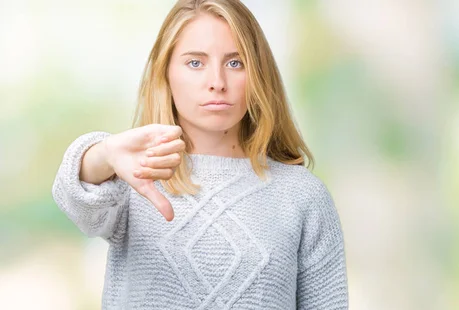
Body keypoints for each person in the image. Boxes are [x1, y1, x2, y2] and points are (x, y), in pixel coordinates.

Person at [51, 0, 348, 309]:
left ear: (259, 74)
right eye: (196, 63)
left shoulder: (303, 196)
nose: (217, 83)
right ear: (164, 73)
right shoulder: (134, 178)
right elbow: (71, 195)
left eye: (235, 63)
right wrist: (105, 154)